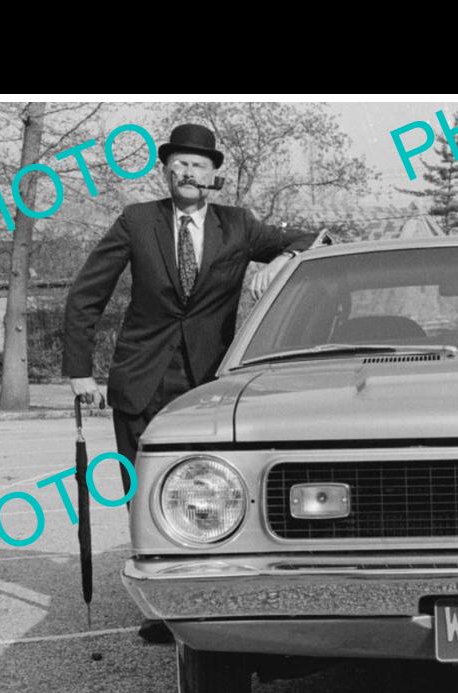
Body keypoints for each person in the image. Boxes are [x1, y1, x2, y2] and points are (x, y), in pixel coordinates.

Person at [62, 123, 317, 643]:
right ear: (165, 171)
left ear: (214, 175)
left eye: (198, 165)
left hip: (209, 384)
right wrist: (79, 371)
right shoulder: (137, 222)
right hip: (142, 378)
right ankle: (160, 607)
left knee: (211, 493)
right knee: (147, 494)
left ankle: (212, 594)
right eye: (178, 163)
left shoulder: (238, 225)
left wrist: (284, 259)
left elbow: (312, 239)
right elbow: (87, 294)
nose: (187, 172)